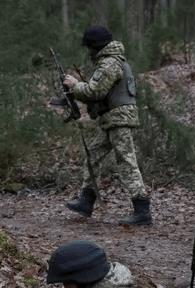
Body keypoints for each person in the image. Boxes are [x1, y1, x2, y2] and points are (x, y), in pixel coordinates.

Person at [63, 25, 151, 225]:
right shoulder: (109, 61)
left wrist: (74, 85)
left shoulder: (110, 63)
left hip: (118, 119)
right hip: (112, 119)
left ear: (95, 46)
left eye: (89, 48)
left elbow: (95, 91)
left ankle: (142, 210)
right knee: (93, 154)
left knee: (126, 161)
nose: (88, 52)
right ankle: (86, 200)